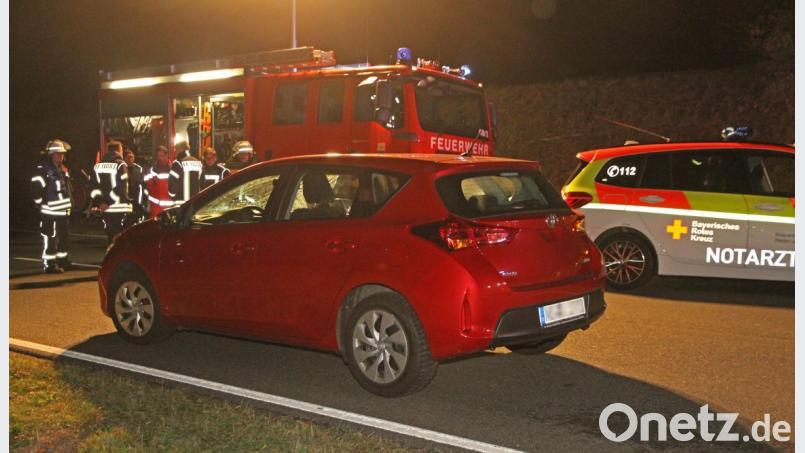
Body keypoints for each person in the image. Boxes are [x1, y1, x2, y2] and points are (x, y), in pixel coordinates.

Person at [30, 139, 74, 273]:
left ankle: (63, 260)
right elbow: (36, 187)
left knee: (64, 237)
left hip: (63, 210)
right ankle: (49, 264)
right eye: (59, 154)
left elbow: (67, 189)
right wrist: (39, 203)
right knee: (50, 238)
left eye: (62, 154)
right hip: (49, 211)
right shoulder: (43, 169)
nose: (62, 156)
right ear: (52, 154)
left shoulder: (62, 169)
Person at [90, 140, 133, 244]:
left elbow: (93, 187)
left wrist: (100, 202)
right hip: (120, 207)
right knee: (121, 239)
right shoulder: (121, 164)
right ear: (118, 150)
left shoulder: (98, 166)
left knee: (111, 237)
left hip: (105, 209)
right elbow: (123, 187)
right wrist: (128, 201)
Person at [168, 141, 202, 206]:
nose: (175, 152)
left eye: (176, 150)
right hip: (195, 202)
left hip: (180, 203)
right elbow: (201, 182)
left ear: (180, 150)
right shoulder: (198, 162)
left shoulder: (177, 163)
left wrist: (172, 197)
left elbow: (172, 189)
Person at [143, 146, 173, 218]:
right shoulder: (151, 170)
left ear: (166, 155)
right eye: (158, 156)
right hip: (155, 210)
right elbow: (146, 188)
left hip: (170, 209)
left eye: (161, 156)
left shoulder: (173, 170)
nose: (159, 158)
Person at [124, 148, 147, 223]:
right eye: (128, 157)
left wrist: (143, 200)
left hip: (137, 199)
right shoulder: (122, 168)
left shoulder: (139, 169)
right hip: (126, 199)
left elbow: (143, 184)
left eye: (132, 157)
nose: (130, 159)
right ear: (124, 158)